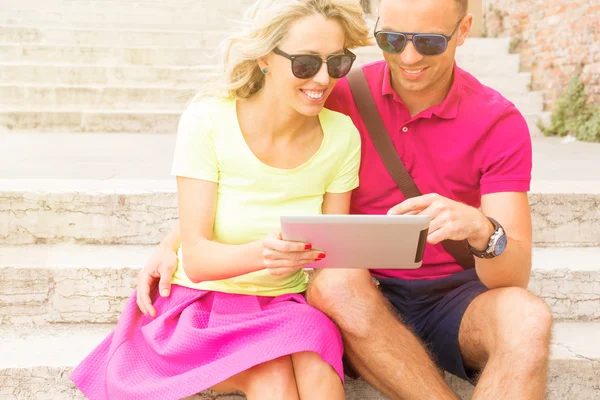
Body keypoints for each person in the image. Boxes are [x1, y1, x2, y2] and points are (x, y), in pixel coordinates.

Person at [138, 0, 554, 399]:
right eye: (392, 39)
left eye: (428, 42)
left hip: (456, 299)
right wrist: (172, 242)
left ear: (463, 30)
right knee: (337, 283)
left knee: (528, 319)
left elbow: (512, 276)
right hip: (359, 293)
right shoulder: (332, 93)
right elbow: (248, 177)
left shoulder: (497, 121)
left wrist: (481, 228)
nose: (408, 57)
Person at [70, 1, 372, 399]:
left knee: (318, 369)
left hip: (285, 302)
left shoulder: (342, 135)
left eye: (337, 63)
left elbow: (332, 252)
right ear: (265, 58)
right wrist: (262, 254)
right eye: (305, 64)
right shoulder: (208, 121)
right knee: (273, 379)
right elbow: (197, 260)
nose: (322, 78)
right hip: (205, 302)